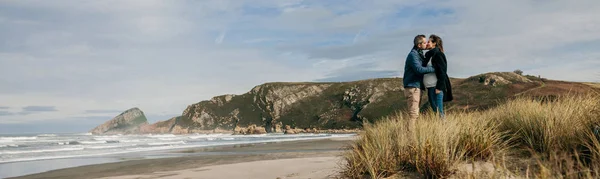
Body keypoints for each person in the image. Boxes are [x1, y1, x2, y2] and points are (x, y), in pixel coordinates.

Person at [403, 35, 435, 131]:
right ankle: (410, 137)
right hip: (413, 87)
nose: (426, 44)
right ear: (419, 45)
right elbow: (419, 69)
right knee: (414, 114)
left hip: (416, 86)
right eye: (424, 43)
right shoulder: (413, 55)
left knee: (415, 113)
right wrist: (434, 68)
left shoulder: (419, 54)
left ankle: (410, 134)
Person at [423, 34, 453, 119]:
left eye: (429, 42)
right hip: (430, 86)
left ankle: (443, 128)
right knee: (434, 110)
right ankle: (440, 127)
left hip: (436, 86)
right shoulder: (429, 56)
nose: (427, 43)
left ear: (434, 43)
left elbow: (442, 71)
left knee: (438, 111)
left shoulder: (438, 54)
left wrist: (439, 87)